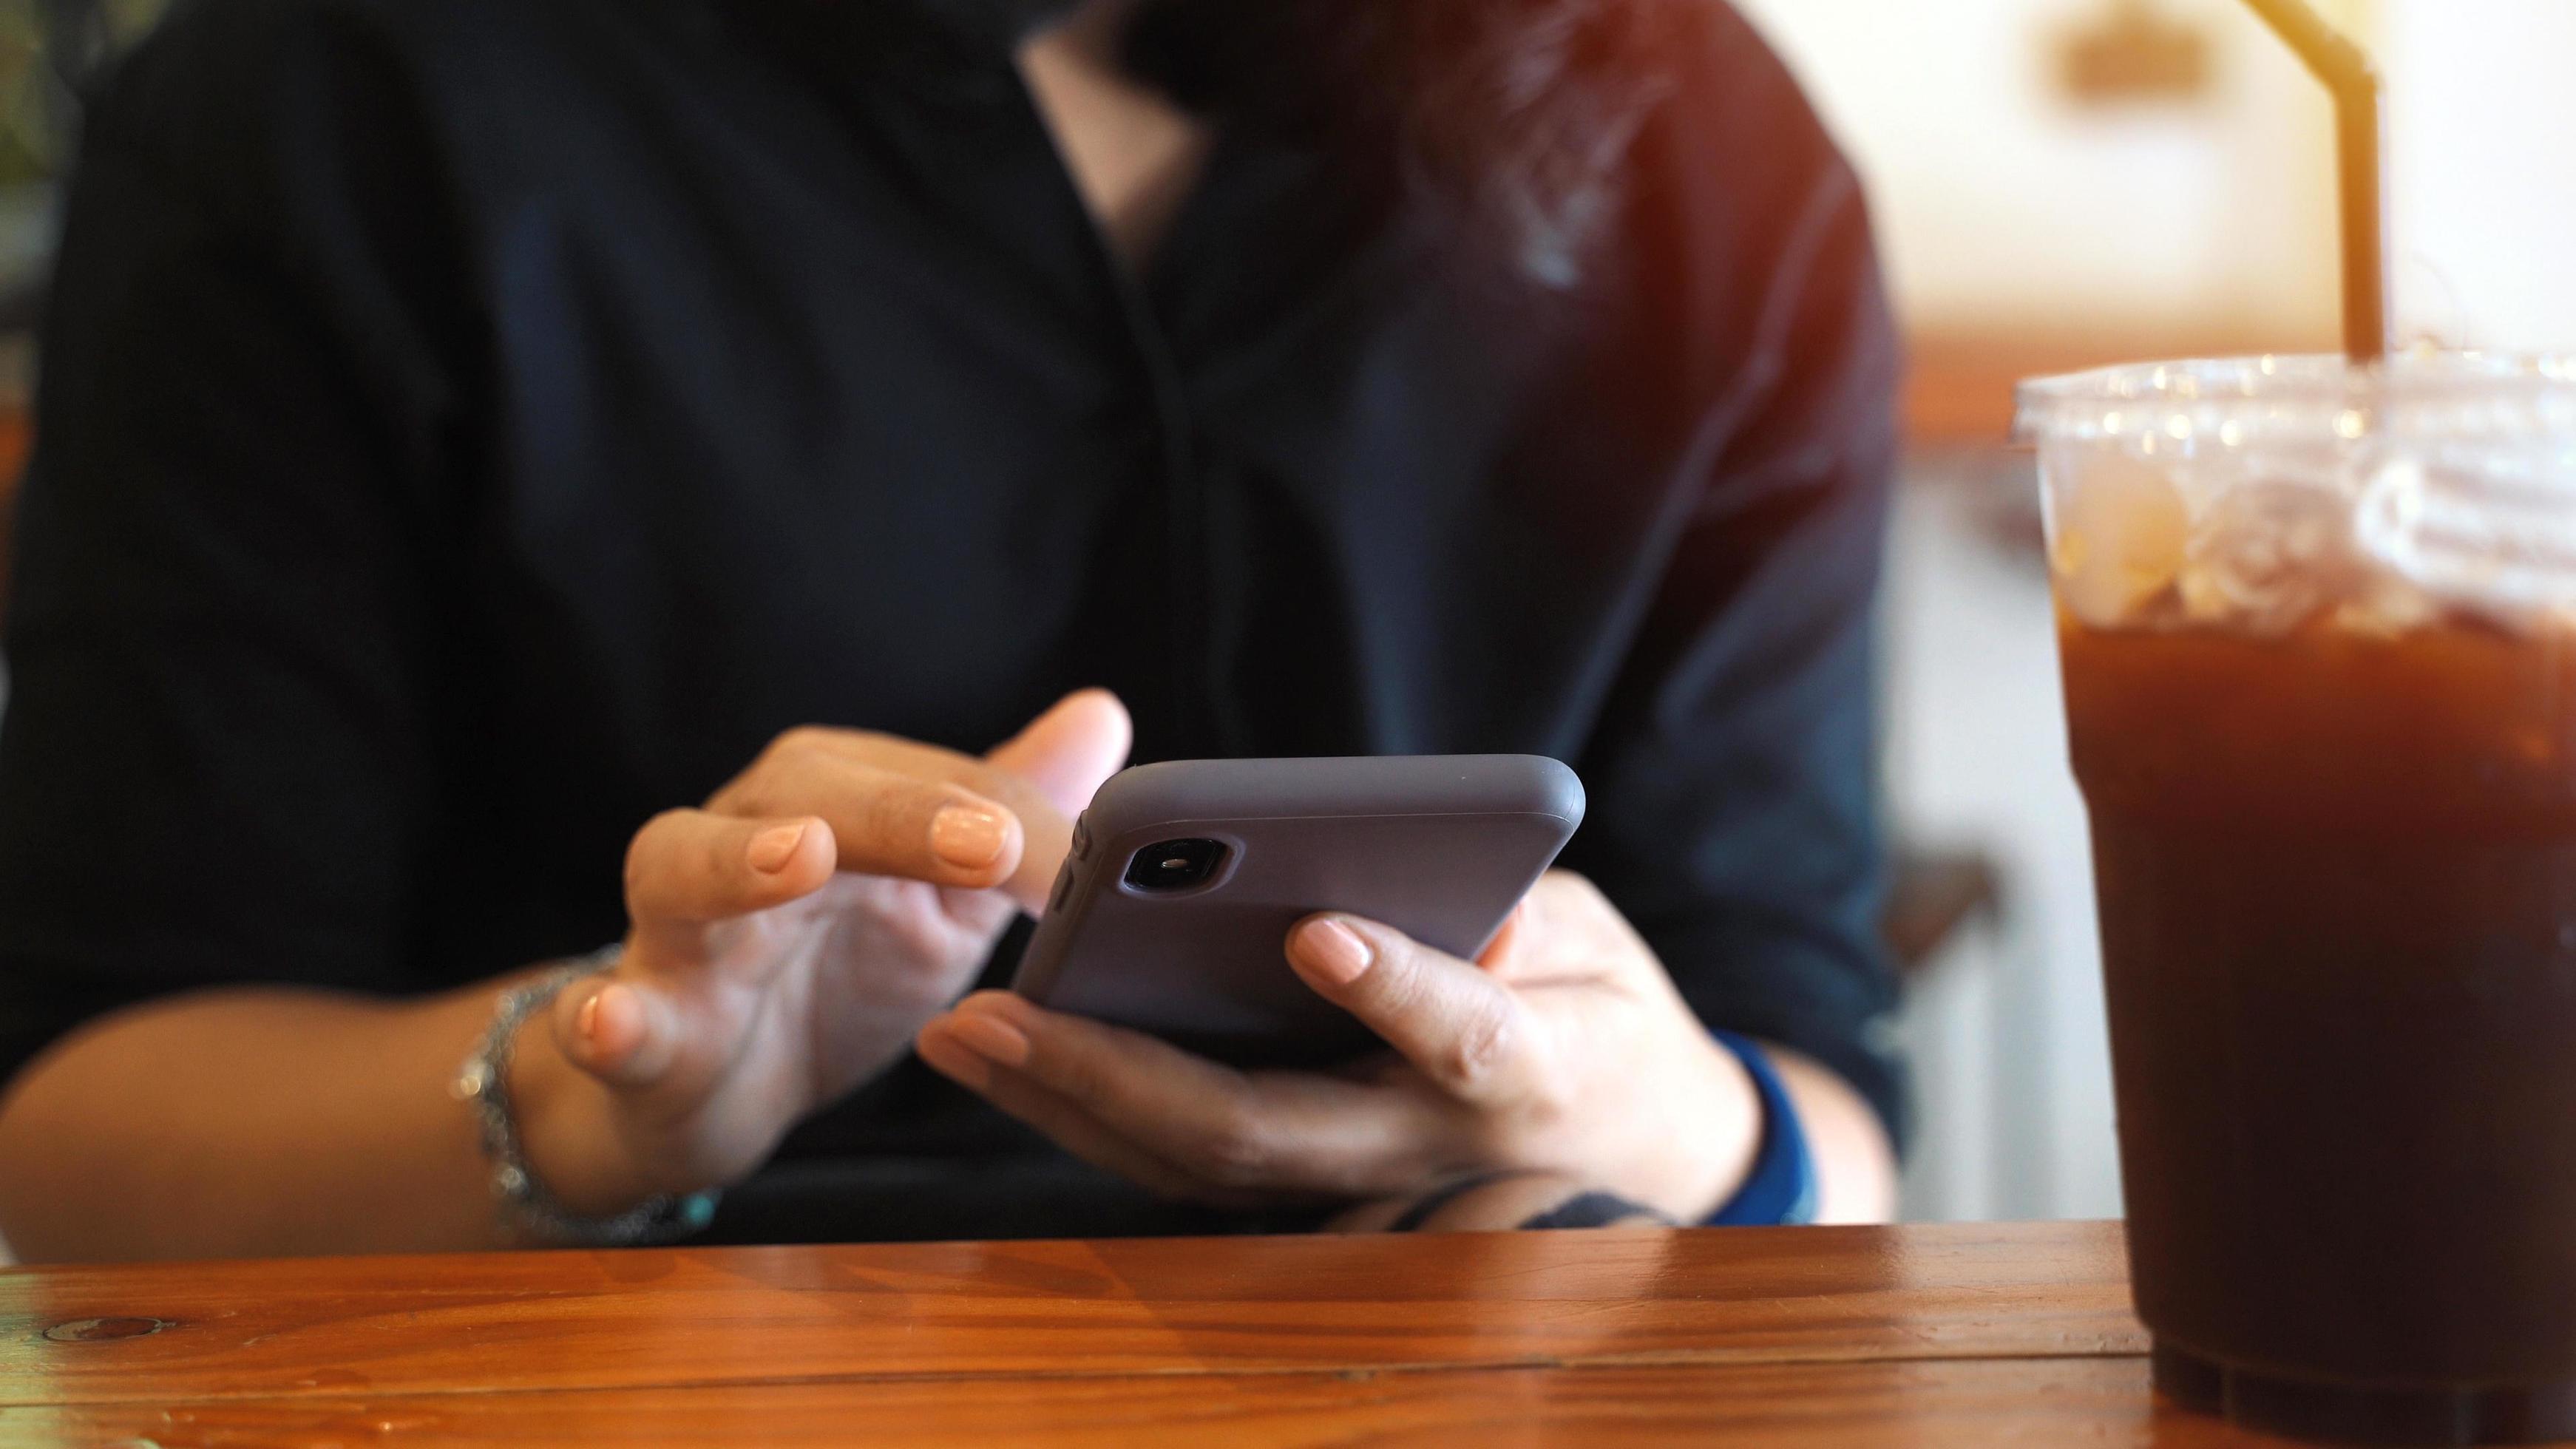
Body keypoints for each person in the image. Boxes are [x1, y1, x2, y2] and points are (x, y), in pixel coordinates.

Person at [0, 0, 1905, 1261]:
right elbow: (84, 1135)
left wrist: (1667, 1120)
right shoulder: (328, 97)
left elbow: (1829, 1114)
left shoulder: (1699, 141)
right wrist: (591, 1094)